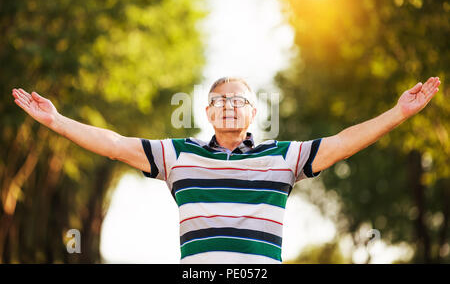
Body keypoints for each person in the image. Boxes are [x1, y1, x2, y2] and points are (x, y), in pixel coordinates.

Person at [11, 76, 441, 263]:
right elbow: (114, 144)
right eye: (221, 100)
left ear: (254, 112)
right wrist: (56, 121)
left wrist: (399, 114)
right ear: (207, 111)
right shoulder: (176, 154)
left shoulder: (284, 157)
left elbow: (344, 143)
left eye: (239, 101)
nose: (230, 106)